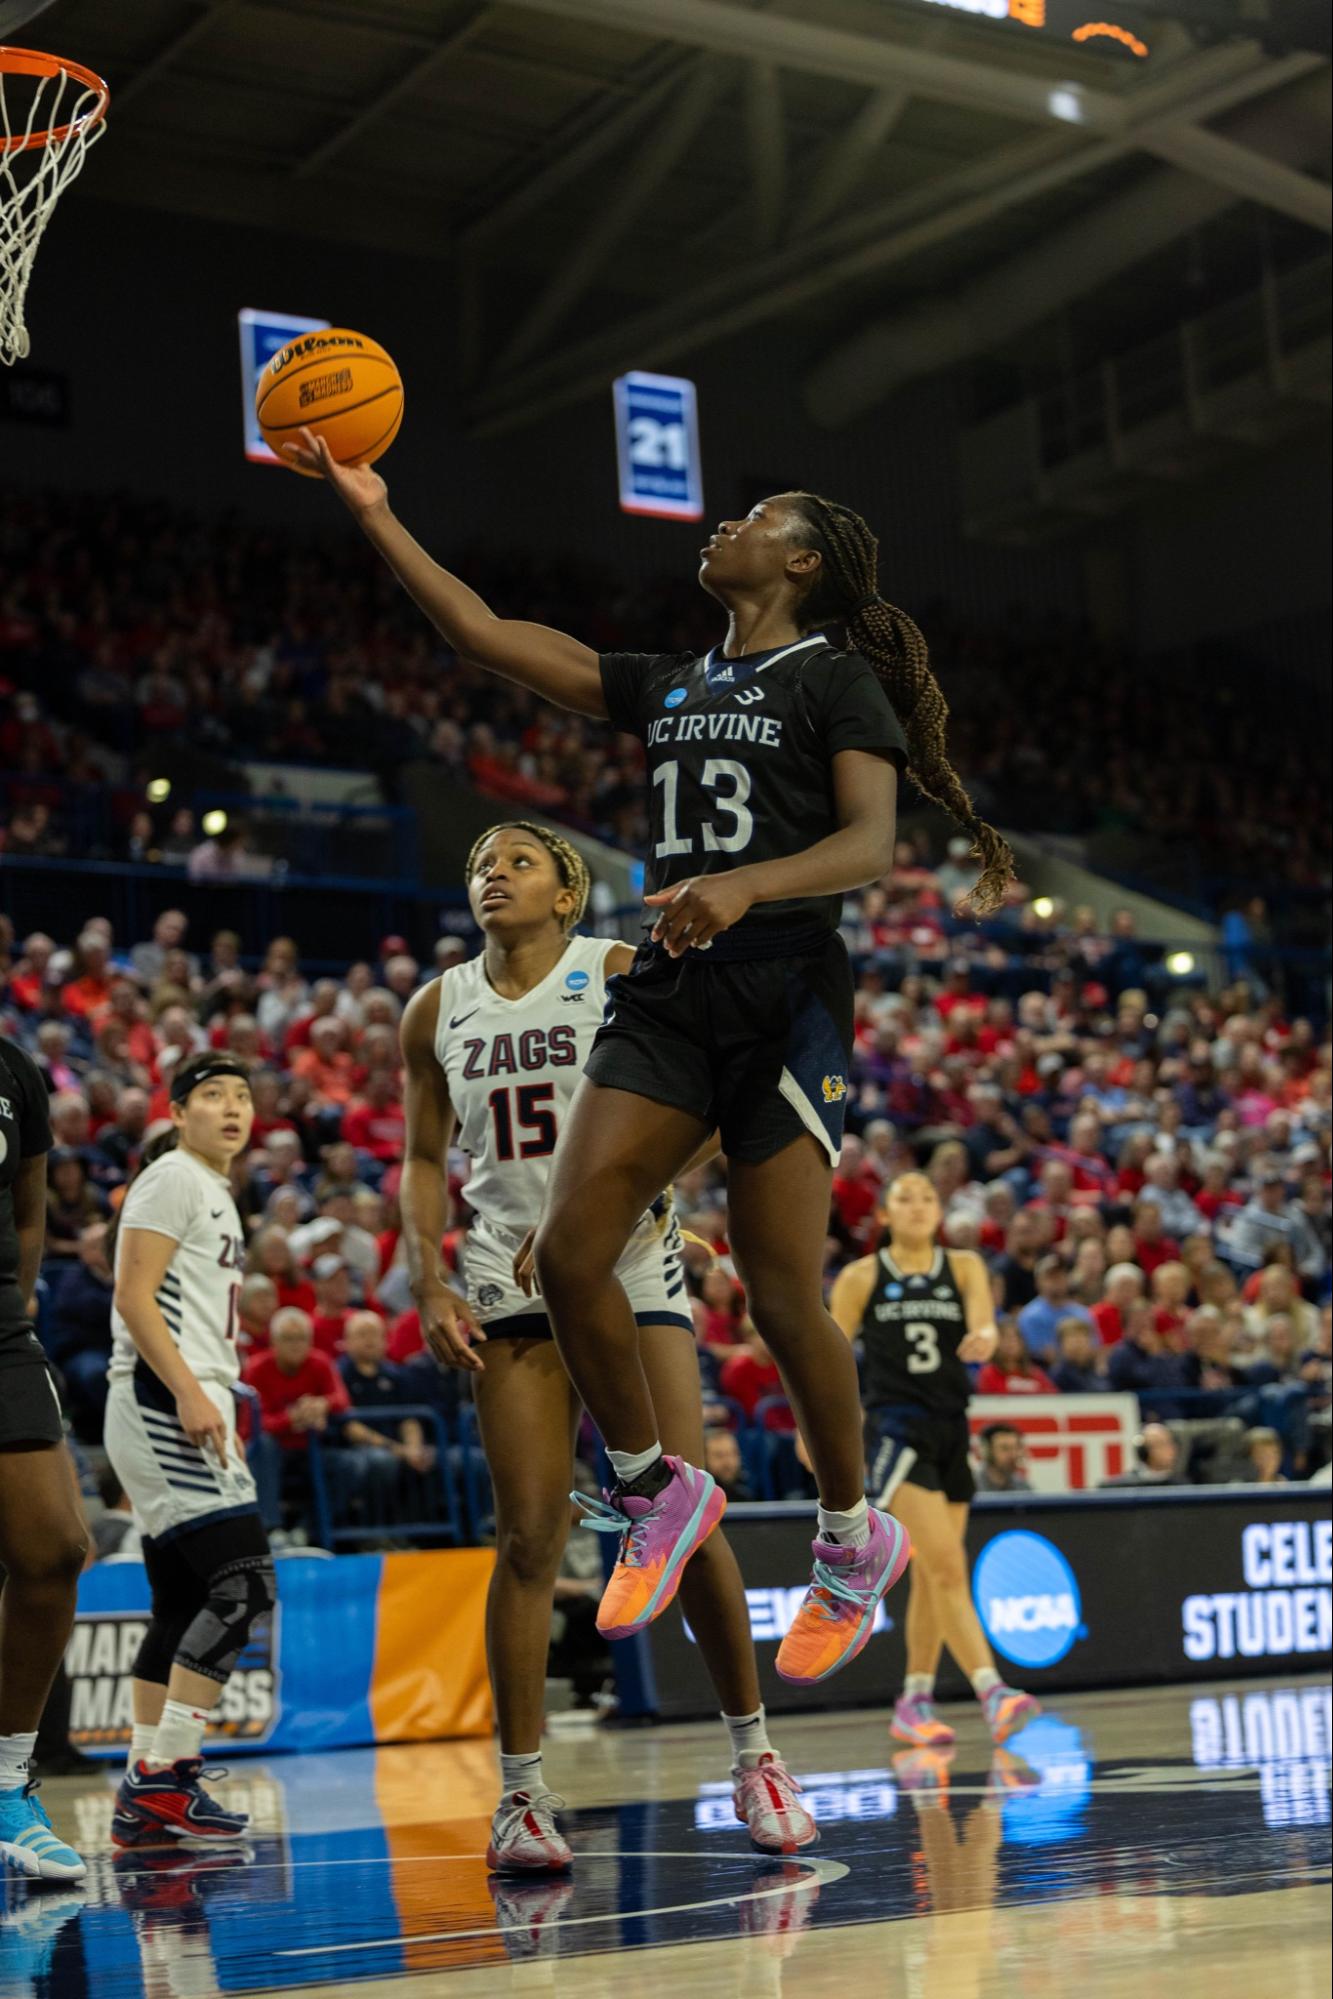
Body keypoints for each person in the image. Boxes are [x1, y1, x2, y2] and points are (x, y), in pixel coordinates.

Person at [298, 431, 1013, 1692]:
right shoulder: (673, 679)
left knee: (788, 1291)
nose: (719, 525)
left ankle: (851, 1538)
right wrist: (374, 511)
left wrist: (743, 885)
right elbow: (482, 633)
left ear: (796, 559)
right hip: (678, 990)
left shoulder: (833, 678)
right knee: (573, 1250)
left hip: (786, 992)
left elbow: (867, 850)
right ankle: (653, 1488)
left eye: (747, 516)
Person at [400, 820, 817, 1871]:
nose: (491, 873)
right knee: (530, 1537)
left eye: (517, 862)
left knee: (681, 1510)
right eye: (479, 863)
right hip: (504, 1273)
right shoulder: (434, 1006)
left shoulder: (619, 970)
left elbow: (722, 1105)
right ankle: (523, 1796)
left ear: (568, 892)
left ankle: (754, 1755)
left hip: (624, 1259)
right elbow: (418, 1155)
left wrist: (605, 1198)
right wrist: (427, 1271)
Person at [104, 1052, 275, 1848]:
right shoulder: (173, 1176)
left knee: (180, 1601)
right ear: (178, 1112)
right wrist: (190, 1390)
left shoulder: (211, 1187)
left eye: (242, 1096)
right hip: (161, 1395)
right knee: (243, 1586)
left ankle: (144, 1792)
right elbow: (133, 1296)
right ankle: (166, 1774)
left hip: (174, 1397)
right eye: (213, 1096)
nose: (233, 1108)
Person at [830, 1172, 1038, 1750]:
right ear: (886, 1214)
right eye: (905, 1196)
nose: (918, 1205)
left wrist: (984, 1340)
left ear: (941, 1210)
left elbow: (984, 1324)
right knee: (948, 1566)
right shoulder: (861, 1276)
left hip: (952, 1426)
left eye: (927, 1196)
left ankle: (914, 1699)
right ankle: (992, 1690)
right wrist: (817, 1427)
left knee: (934, 1574)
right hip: (895, 1430)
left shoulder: (965, 1266)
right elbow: (826, 1354)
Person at [0, 1036, 89, 1881]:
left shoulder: (11, 1069)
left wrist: (15, 1305)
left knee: (56, 1547)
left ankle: (5, 1784)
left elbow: (29, 1211)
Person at [974, 1423, 1032, 1494]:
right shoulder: (970, 1486)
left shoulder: (1022, 1486)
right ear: (987, 1452)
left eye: (1016, 1448)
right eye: (1005, 1448)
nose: (1013, 1454)